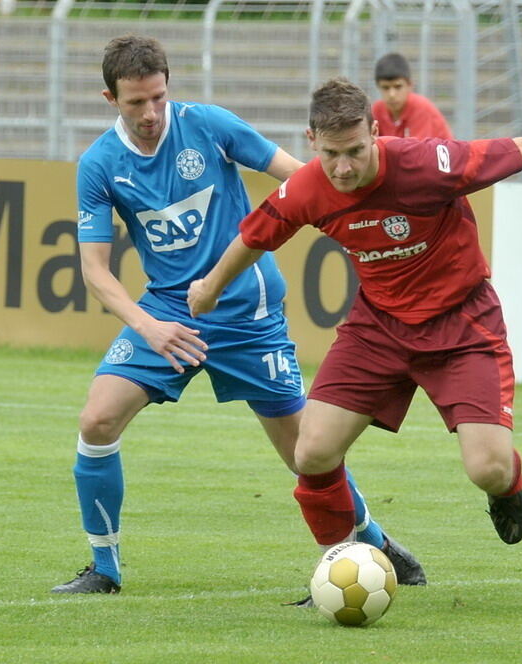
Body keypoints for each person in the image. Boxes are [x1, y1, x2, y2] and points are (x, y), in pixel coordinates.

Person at [188, 77, 522, 554]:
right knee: (312, 451)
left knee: (488, 468)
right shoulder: (308, 188)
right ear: (311, 141)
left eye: (356, 151)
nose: (343, 168)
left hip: (462, 324)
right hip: (378, 328)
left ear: (375, 132)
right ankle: (340, 564)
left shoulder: (429, 164)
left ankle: (507, 484)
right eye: (331, 154)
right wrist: (210, 287)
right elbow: (255, 237)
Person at [51, 39, 425, 595]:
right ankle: (104, 569)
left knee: (305, 455)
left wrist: (369, 216)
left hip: (248, 311)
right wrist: (149, 327)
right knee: (96, 422)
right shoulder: (101, 165)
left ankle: (370, 539)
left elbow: (301, 177)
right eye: (136, 104)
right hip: (167, 315)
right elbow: (96, 271)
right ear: (111, 98)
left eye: (158, 97)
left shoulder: (208, 125)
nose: (151, 113)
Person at [371, 52, 453, 140]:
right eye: (385, 88)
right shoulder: (377, 110)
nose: (392, 94)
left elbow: (416, 151)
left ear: (410, 85)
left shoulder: (421, 108)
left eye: (398, 87)